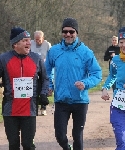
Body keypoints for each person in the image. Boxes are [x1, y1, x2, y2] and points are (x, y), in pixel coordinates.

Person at [0, 27, 49, 150]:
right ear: (15, 44)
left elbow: (45, 79)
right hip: (10, 110)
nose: (29, 43)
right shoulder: (3, 59)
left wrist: (44, 94)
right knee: (13, 145)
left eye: (29, 40)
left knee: (28, 145)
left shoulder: (36, 59)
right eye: (25, 40)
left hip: (29, 110)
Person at [45, 17, 102, 150]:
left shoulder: (86, 52)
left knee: (77, 135)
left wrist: (85, 83)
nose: (68, 35)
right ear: (62, 32)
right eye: (65, 31)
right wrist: (49, 86)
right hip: (61, 100)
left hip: (80, 101)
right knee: (60, 135)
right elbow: (46, 70)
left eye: (72, 32)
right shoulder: (54, 51)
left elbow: (97, 74)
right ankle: (67, 147)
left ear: (76, 33)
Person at [101, 26, 125, 150]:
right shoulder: (115, 60)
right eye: (121, 42)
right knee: (121, 142)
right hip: (119, 105)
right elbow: (112, 76)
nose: (124, 45)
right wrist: (105, 88)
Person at [31, 30, 52, 116]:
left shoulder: (47, 45)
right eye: (36, 39)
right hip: (33, 68)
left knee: (44, 86)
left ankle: (43, 107)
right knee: (34, 87)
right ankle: (34, 107)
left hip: (44, 67)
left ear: (43, 38)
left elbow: (50, 57)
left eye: (39, 39)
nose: (37, 41)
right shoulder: (30, 43)